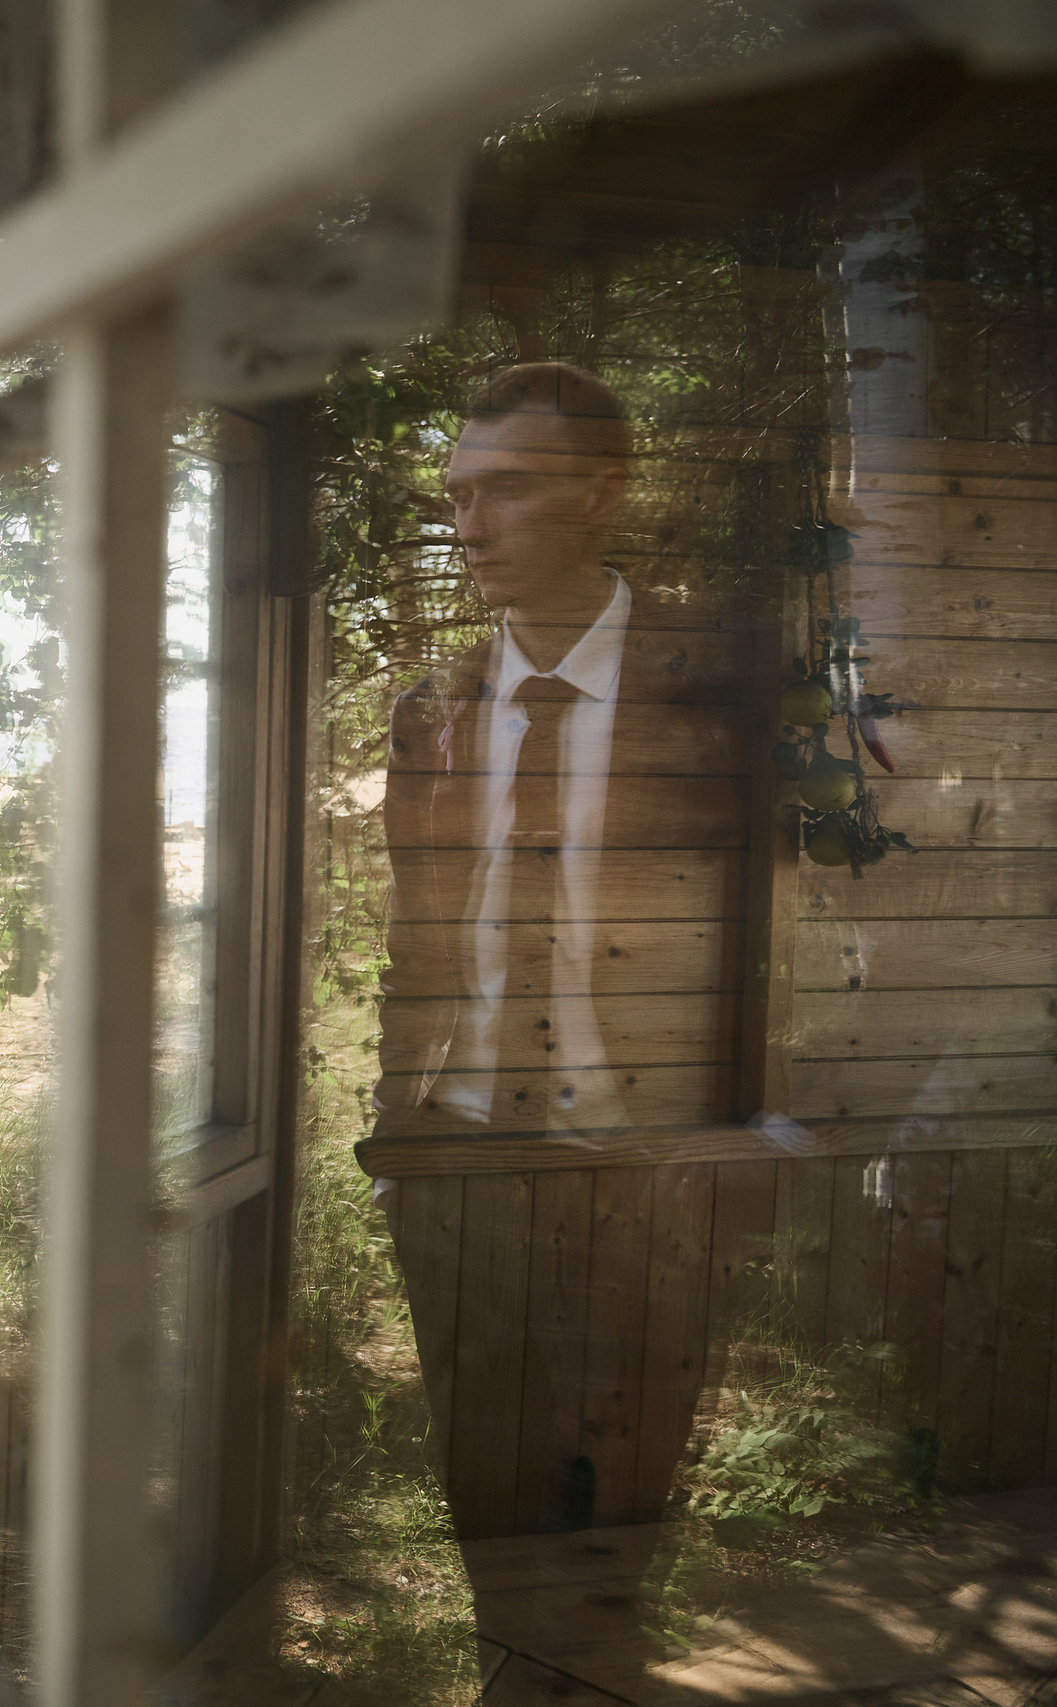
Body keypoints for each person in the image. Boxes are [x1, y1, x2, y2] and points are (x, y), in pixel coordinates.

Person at [369, 363, 746, 1540]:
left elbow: (792, 939)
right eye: (457, 495)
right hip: (459, 1172)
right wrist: (396, 1148)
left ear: (600, 493)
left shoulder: (722, 693)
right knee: (484, 1502)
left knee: (621, 1518)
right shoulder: (433, 707)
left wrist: (745, 1154)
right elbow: (414, 944)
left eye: (508, 490)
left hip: (648, 1177)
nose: (468, 526)